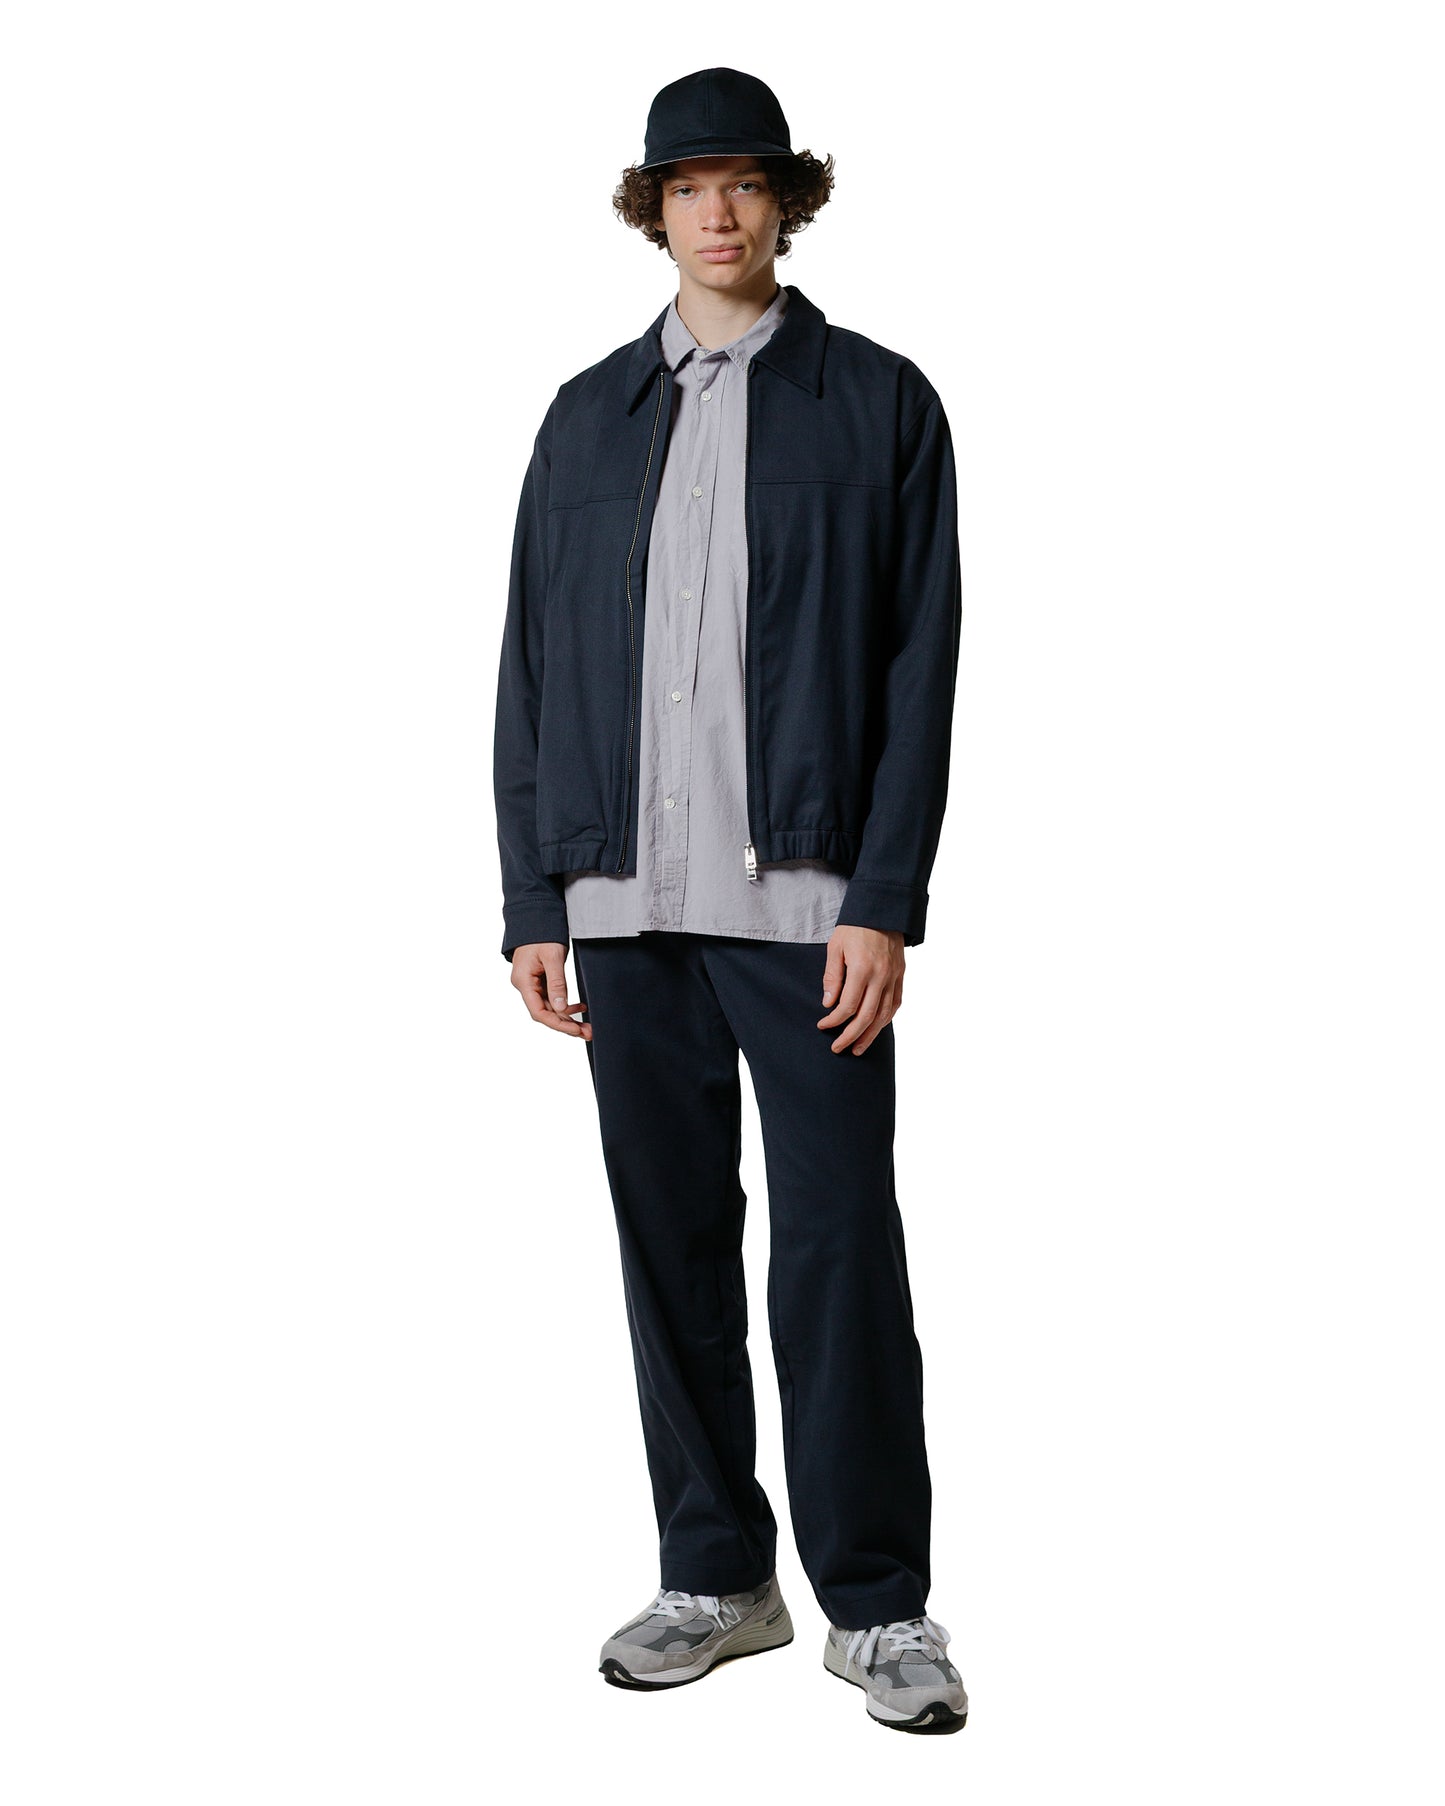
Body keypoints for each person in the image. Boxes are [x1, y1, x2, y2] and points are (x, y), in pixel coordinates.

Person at [492, 66, 967, 1735]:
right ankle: (715, 1575)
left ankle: (879, 1602)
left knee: (838, 1243)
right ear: (654, 208)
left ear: (784, 201)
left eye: (744, 182)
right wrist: (533, 893)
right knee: (669, 1238)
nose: (716, 211)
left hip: (811, 904)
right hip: (622, 903)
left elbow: (919, 670)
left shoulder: (877, 403)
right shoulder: (583, 417)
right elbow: (530, 664)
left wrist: (883, 895)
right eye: (687, 185)